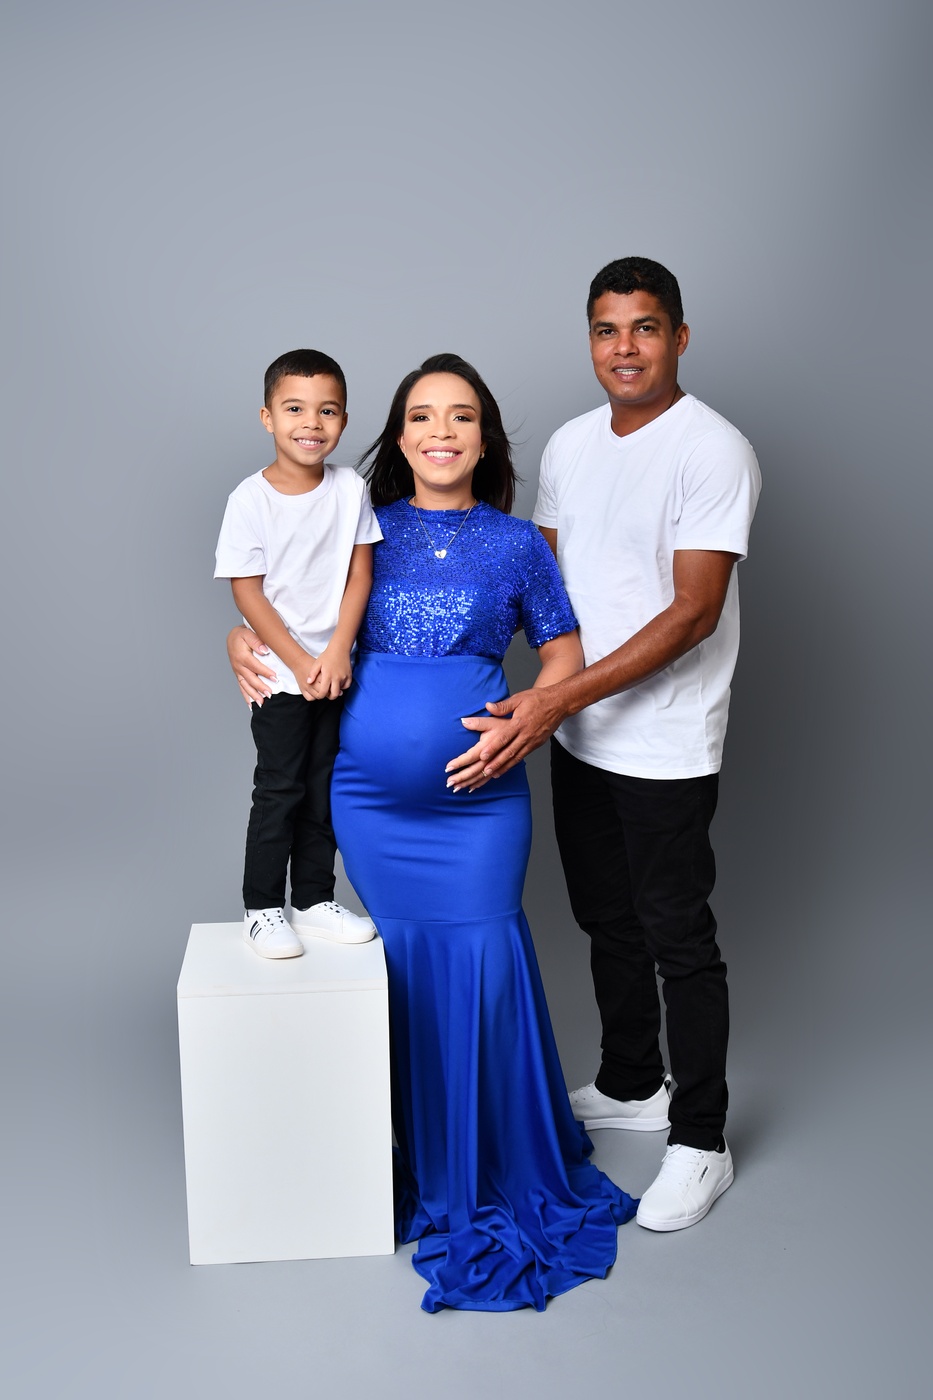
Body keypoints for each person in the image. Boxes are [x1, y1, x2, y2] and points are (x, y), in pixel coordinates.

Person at [230, 353, 636, 1312]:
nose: (440, 432)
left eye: (460, 416)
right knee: (404, 973)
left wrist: (526, 720)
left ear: (484, 437)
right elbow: (279, 599)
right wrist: (238, 638)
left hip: (479, 807)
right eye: (421, 416)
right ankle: (423, 1153)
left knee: (484, 957)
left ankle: (494, 1160)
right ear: (399, 436)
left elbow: (564, 651)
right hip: (368, 803)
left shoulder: (517, 544)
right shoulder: (358, 523)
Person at [449, 258, 761, 1233]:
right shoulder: (573, 445)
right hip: (580, 731)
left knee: (677, 936)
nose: (624, 348)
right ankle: (632, 1080)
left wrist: (550, 701)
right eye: (606, 329)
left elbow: (692, 613)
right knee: (604, 915)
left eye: (645, 327)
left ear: (679, 337)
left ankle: (701, 1140)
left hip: (665, 742)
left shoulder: (713, 449)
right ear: (590, 339)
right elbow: (537, 586)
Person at [215, 348, 382, 959]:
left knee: (323, 788)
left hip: (336, 671)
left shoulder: (350, 488)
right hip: (279, 675)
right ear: (267, 417)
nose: (312, 423)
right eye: (294, 409)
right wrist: (300, 662)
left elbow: (360, 574)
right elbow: (247, 591)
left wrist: (336, 652)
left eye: (327, 411)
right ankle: (262, 909)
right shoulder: (249, 500)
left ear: (343, 420)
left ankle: (313, 901)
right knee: (279, 788)